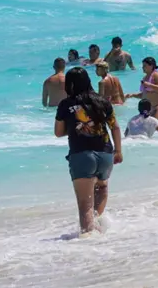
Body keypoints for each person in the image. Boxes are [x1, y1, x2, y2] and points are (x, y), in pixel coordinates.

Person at [54, 67, 122, 235]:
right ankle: (98, 229)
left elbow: (58, 132)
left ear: (69, 85)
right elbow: (115, 127)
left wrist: (74, 127)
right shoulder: (102, 101)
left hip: (82, 155)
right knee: (102, 188)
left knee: (85, 206)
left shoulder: (66, 104)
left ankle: (88, 239)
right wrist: (118, 151)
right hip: (105, 154)